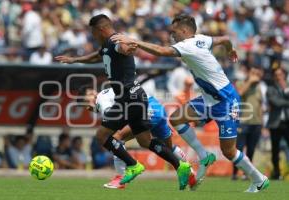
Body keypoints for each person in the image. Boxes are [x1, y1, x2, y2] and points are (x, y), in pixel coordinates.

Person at [111, 13, 269, 193]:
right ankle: (204, 155)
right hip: (209, 99)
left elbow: (161, 51)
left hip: (225, 100)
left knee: (229, 151)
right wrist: (230, 49)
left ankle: (259, 179)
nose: (172, 36)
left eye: (174, 32)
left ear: (185, 30)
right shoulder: (202, 39)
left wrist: (134, 41)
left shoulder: (188, 45)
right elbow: (224, 39)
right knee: (177, 118)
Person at [55, 14, 191, 190]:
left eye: (93, 33)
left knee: (102, 136)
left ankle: (132, 166)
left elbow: (123, 47)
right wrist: (75, 60)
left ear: (101, 29)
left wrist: (129, 46)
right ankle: (181, 165)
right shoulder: (106, 46)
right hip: (135, 97)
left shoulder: (115, 41)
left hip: (128, 98)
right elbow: (97, 56)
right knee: (145, 142)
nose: (93, 37)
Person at [77, 85, 199, 189]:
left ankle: (121, 177)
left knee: (116, 137)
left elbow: (114, 121)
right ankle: (188, 171)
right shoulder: (107, 93)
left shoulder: (101, 100)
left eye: (85, 102)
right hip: (156, 107)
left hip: (146, 109)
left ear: (92, 94)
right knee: (164, 146)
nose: (87, 107)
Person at [232, 66, 263, 180]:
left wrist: (262, 123)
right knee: (238, 149)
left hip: (256, 123)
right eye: (253, 72)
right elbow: (239, 94)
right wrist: (250, 81)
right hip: (243, 122)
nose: (256, 75)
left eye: (257, 73)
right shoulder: (241, 83)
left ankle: (246, 174)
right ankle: (235, 173)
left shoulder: (258, 87)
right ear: (248, 73)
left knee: (251, 150)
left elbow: (260, 105)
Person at [267, 67, 289, 180]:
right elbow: (276, 102)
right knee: (275, 150)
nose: (279, 76)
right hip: (275, 123)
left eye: (280, 74)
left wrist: (286, 89)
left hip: (287, 122)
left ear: (284, 75)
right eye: (277, 74)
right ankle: (277, 173)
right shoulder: (270, 88)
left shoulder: (287, 87)